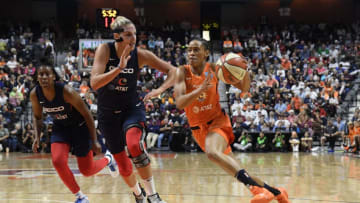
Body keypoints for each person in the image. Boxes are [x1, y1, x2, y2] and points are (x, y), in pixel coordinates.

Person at [173, 38, 290, 203]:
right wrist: (200, 89)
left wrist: (245, 72)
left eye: (196, 50)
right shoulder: (182, 72)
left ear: (206, 53)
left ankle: (264, 192)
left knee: (213, 153)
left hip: (217, 122)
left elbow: (244, 88)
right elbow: (179, 103)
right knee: (234, 168)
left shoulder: (215, 68)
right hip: (197, 129)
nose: (191, 53)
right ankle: (276, 192)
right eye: (189, 50)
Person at [91, 16, 175, 203]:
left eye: (134, 34)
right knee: (123, 164)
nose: (133, 38)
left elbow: (174, 71)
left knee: (135, 145)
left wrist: (160, 89)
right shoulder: (105, 50)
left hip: (131, 108)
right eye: (128, 34)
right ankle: (138, 194)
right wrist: (119, 68)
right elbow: (95, 83)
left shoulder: (141, 54)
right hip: (107, 113)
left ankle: (153, 196)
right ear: (117, 36)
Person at [31, 60, 118, 203]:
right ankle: (81, 197)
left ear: (54, 76)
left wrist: (95, 140)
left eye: (47, 74)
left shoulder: (66, 91)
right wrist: (37, 137)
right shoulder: (35, 94)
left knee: (87, 171)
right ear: (37, 77)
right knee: (58, 161)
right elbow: (37, 117)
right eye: (41, 75)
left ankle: (109, 159)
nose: (44, 77)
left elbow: (87, 114)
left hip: (80, 127)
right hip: (61, 128)